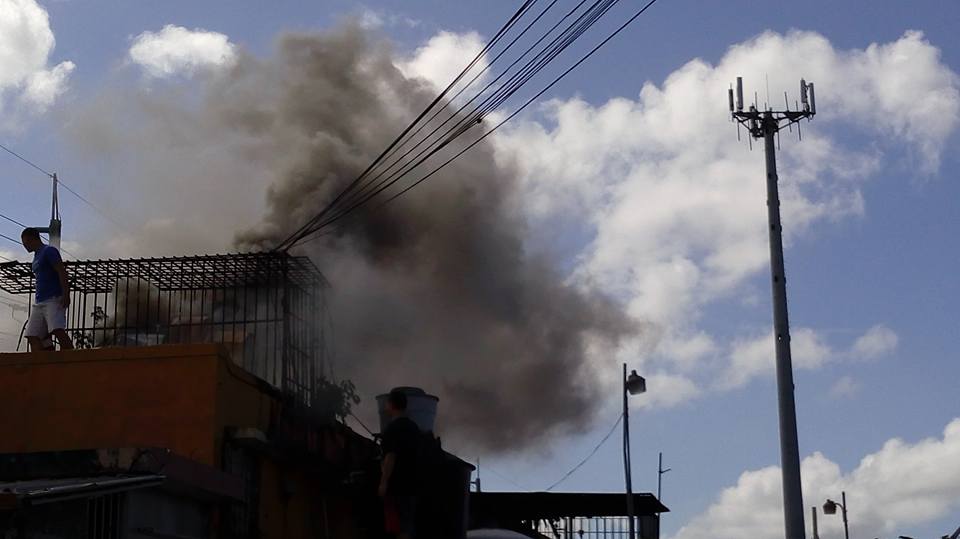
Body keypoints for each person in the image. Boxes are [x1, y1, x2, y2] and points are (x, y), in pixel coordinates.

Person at [21, 228, 73, 351]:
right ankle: (45, 358)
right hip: (40, 301)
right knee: (33, 335)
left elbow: (61, 271)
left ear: (32, 239)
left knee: (57, 329)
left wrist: (66, 294)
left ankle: (71, 356)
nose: (25, 246)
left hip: (53, 298)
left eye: (25, 242)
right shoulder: (36, 256)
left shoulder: (49, 251)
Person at [379, 389, 421, 539]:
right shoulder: (414, 428)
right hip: (412, 485)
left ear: (391, 404)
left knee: (397, 528)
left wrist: (383, 482)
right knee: (406, 527)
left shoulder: (392, 429)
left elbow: (390, 457)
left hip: (396, 486)